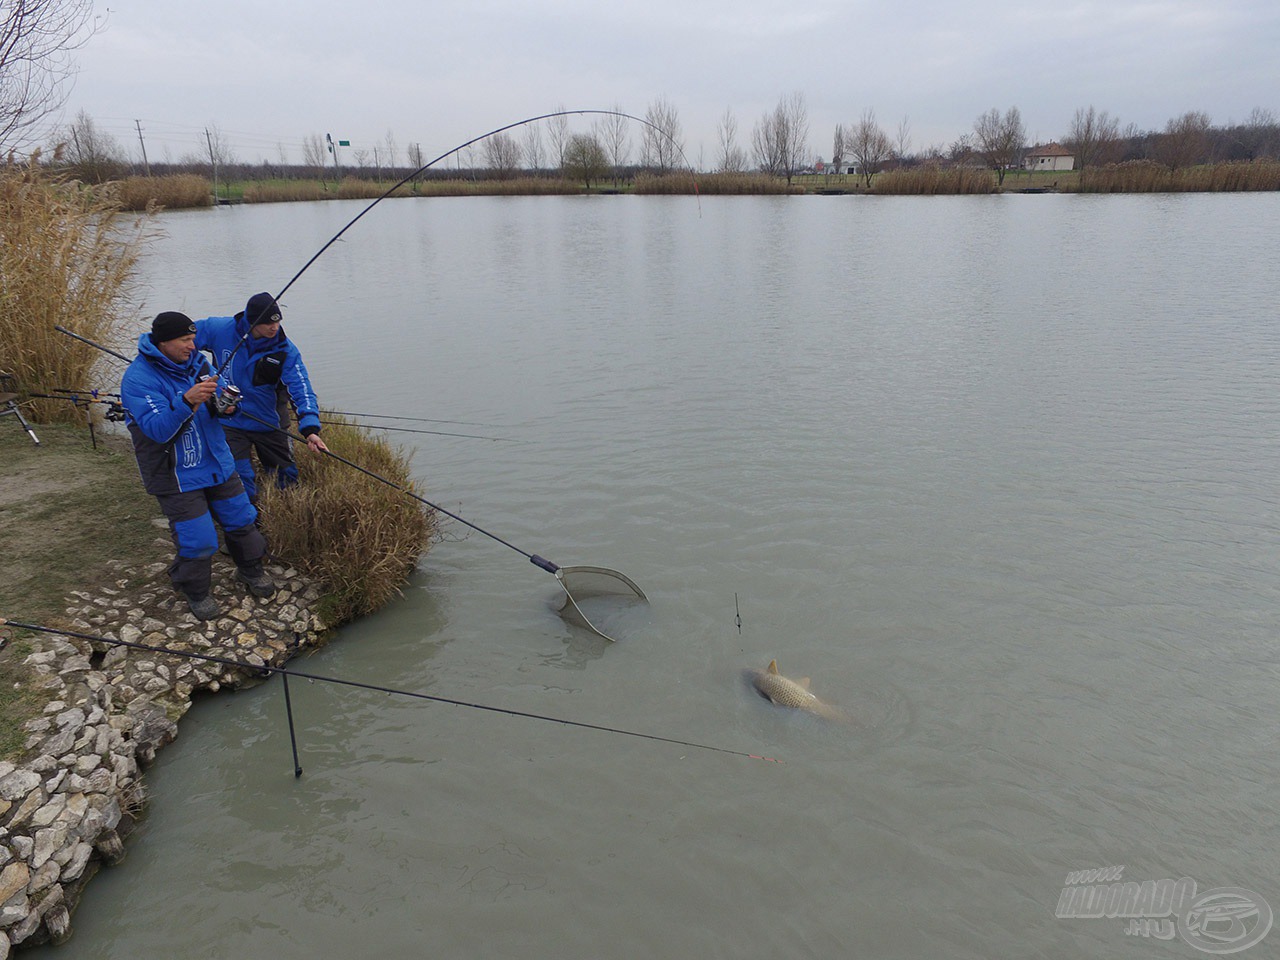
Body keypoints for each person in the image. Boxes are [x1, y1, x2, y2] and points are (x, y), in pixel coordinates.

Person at [120, 311, 276, 620]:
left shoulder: (200, 365)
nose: (193, 346)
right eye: (185, 341)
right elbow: (157, 430)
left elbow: (219, 404)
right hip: (175, 474)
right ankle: (196, 592)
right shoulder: (138, 379)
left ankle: (251, 570)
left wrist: (227, 406)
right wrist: (187, 400)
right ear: (163, 342)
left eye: (193, 339)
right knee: (199, 538)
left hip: (217, 462)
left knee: (242, 520)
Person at [194, 292, 328, 504]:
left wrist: (310, 428)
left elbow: (301, 388)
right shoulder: (218, 330)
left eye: (277, 322)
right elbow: (180, 340)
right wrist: (198, 373)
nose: (274, 328)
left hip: (270, 423)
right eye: (267, 324)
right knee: (239, 476)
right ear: (252, 321)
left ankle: (287, 516)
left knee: (286, 478)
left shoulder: (286, 350)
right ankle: (251, 522)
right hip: (230, 421)